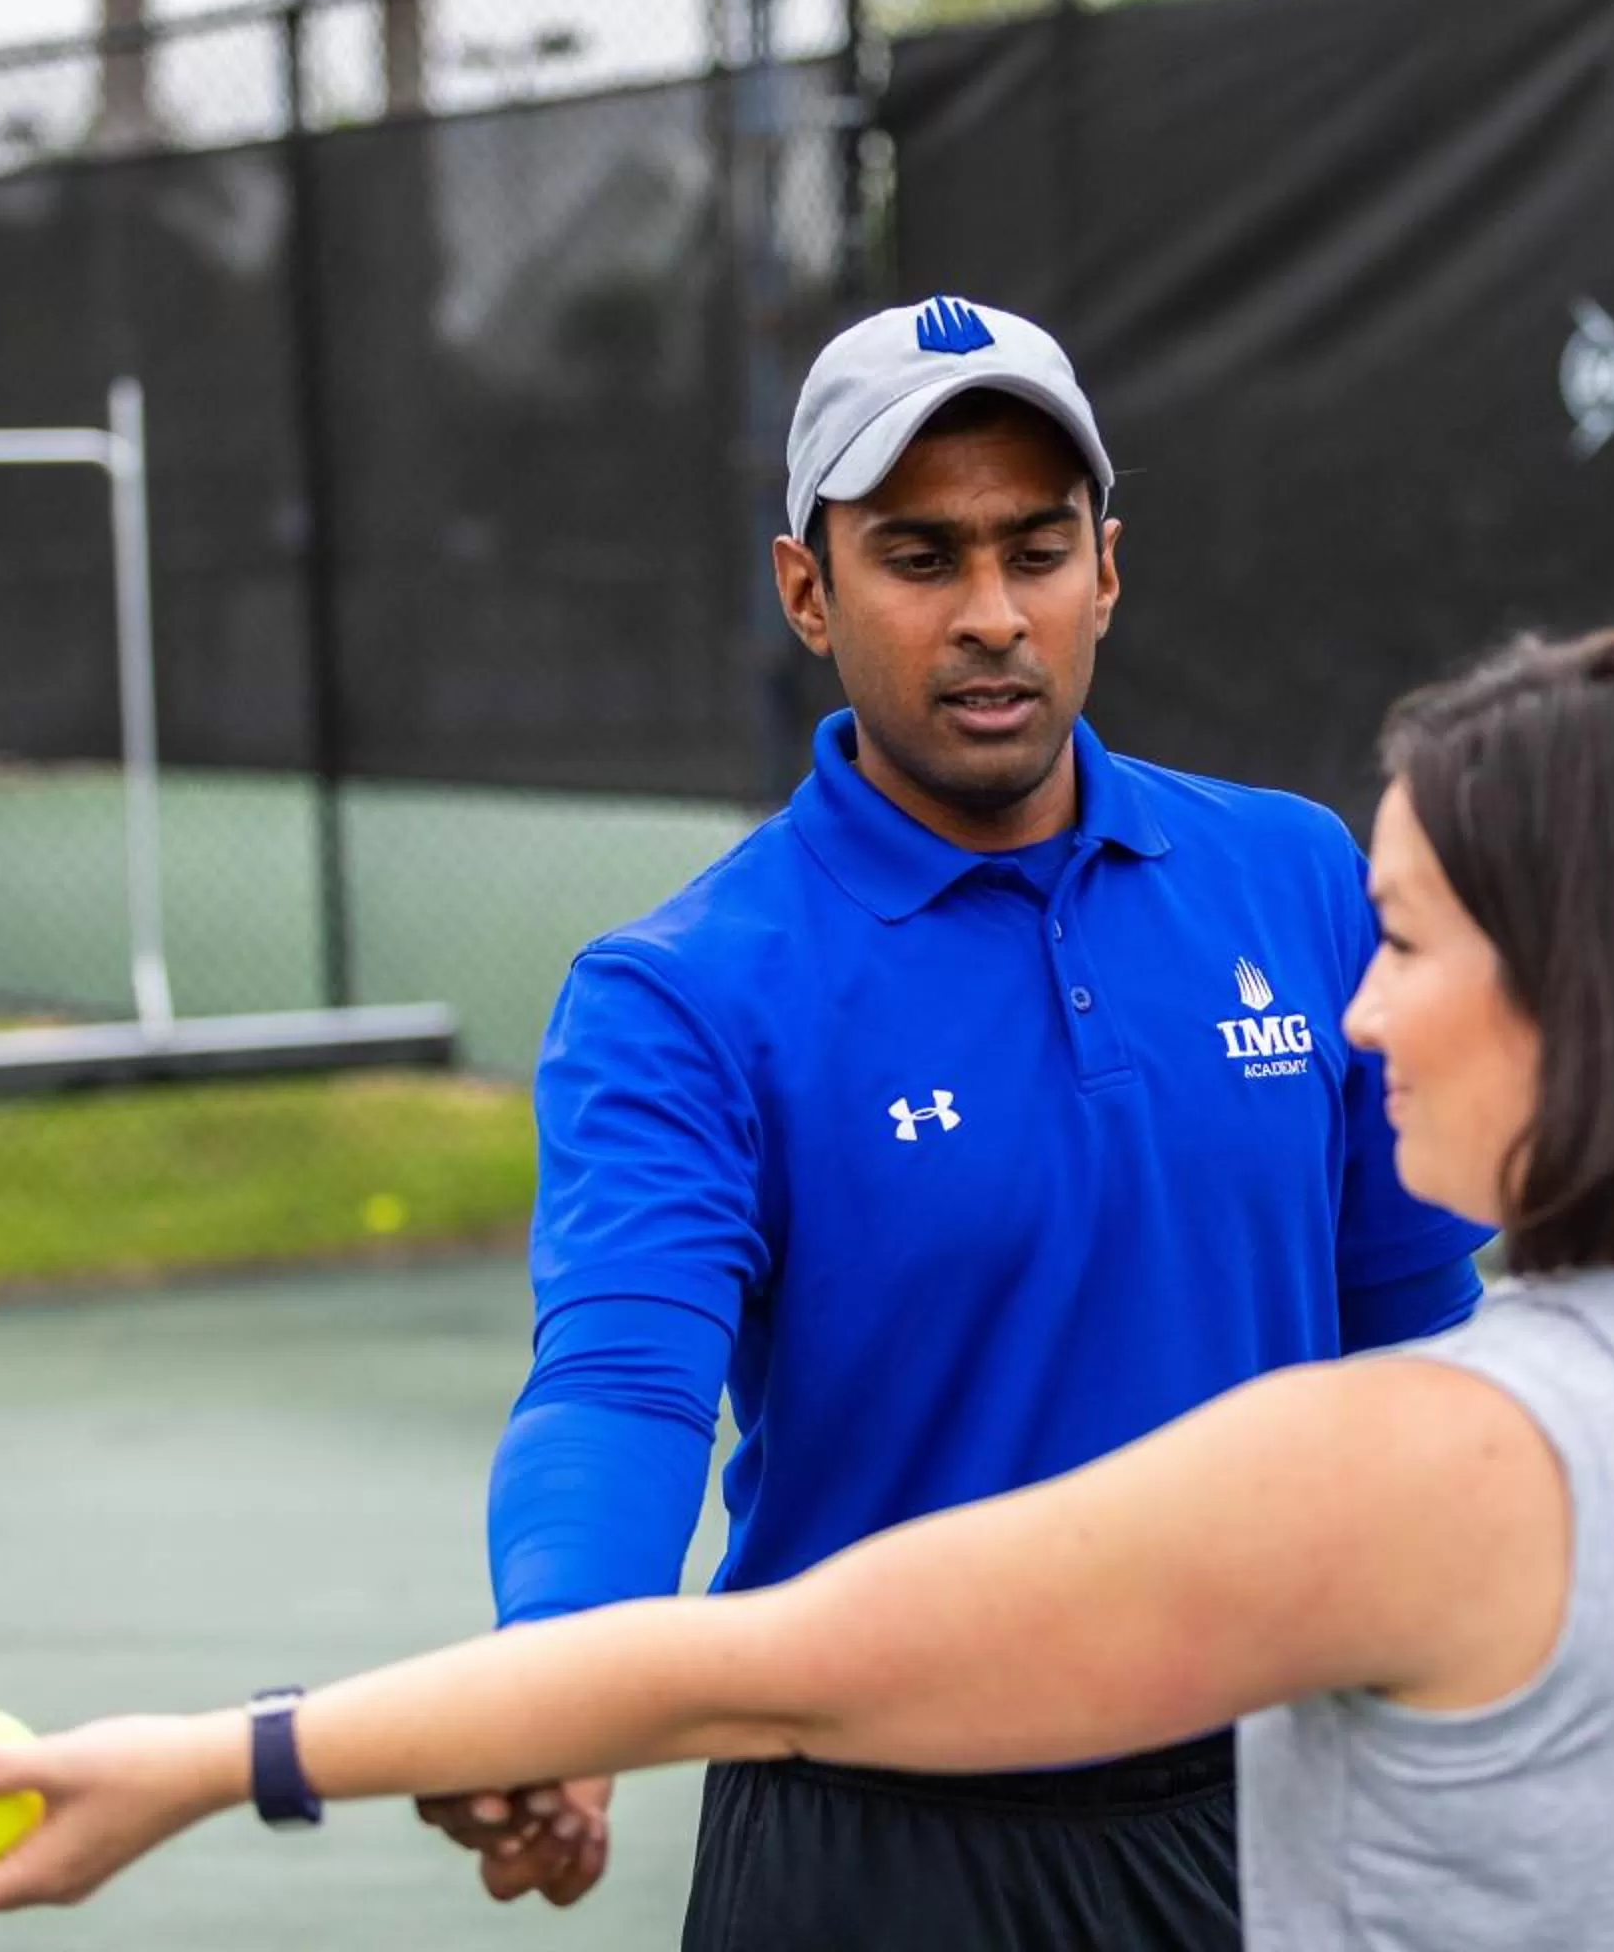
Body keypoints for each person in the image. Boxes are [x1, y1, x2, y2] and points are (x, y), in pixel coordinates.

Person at [0, 626, 1614, 1951]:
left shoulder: (1446, 1463)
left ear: (1588, 988)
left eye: (1412, 945)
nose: (1358, 1016)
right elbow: (625, 1389)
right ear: (813, 582)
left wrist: (196, 1762)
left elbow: (783, 1665)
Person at [419, 294, 1490, 1946]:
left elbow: (1414, 1323)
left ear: (1107, 570)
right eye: (921, 559)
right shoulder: (682, 993)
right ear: (808, 591)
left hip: (1275, 1818)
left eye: (1035, 552)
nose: (993, 615)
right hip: (866, 1849)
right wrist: (564, 1669)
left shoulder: (1297, 881)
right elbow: (627, 1382)